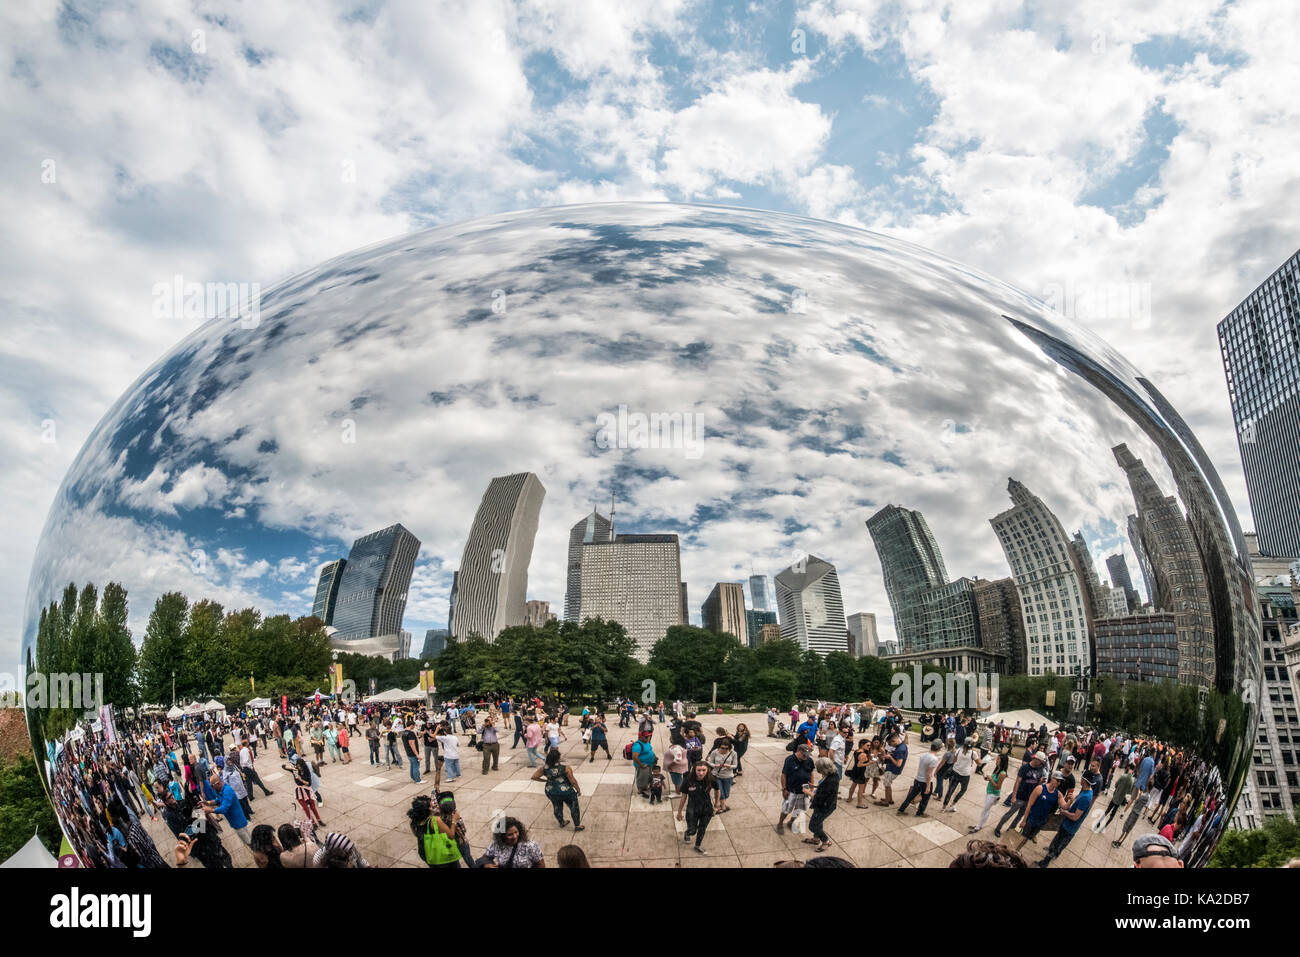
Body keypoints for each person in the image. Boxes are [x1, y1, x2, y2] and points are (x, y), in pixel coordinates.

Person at [1036, 777, 1093, 867]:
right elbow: (1078, 798)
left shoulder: (1086, 798)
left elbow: (1075, 817)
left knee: (1058, 845)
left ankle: (1045, 863)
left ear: (1084, 781)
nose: (1080, 780)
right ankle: (1051, 850)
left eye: (1082, 778)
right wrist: (1073, 798)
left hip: (1070, 828)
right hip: (1066, 824)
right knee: (1056, 840)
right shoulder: (1087, 790)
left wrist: (1064, 813)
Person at [993, 750, 1047, 838]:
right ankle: (998, 828)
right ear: (1036, 759)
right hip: (1020, 797)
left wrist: (1040, 782)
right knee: (1009, 814)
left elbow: (1037, 786)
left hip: (1029, 799)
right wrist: (1014, 796)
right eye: (1041, 762)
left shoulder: (1040, 769)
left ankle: (1010, 830)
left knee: (1019, 816)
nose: (1041, 764)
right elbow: (1017, 782)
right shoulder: (1025, 767)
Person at [533, 747, 585, 831]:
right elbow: (573, 781)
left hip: (551, 791)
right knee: (573, 806)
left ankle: (561, 822)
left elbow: (534, 777)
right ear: (558, 758)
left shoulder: (543, 769)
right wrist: (578, 790)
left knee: (557, 806)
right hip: (566, 792)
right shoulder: (566, 768)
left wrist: (546, 780)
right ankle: (577, 825)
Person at [1014, 770, 1063, 854]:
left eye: (1060, 781)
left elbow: (1065, 806)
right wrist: (1024, 820)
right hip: (1031, 820)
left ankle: (1017, 850)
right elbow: (1029, 805)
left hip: (1041, 822)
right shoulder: (1040, 788)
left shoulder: (1058, 794)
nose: (1058, 782)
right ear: (1052, 778)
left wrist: (1071, 800)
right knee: (1022, 837)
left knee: (1028, 838)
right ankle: (1015, 851)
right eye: (1057, 780)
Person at [676, 761, 717, 854]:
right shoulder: (688, 780)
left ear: (707, 770)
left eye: (704, 770)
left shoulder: (711, 779)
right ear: (694, 770)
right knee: (693, 830)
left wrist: (716, 805)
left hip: (707, 809)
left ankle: (697, 845)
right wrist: (679, 812)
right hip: (692, 809)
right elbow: (684, 797)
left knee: (702, 828)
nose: (701, 773)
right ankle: (688, 832)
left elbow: (717, 790)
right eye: (699, 770)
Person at [898, 739, 943, 817]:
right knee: (925, 799)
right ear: (939, 748)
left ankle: (901, 809)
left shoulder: (924, 755)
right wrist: (928, 786)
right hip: (925, 782)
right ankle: (920, 813)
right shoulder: (934, 759)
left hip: (918, 779)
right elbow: (929, 774)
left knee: (910, 796)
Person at [777, 743, 815, 834]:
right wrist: (784, 789)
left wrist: (811, 788)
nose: (806, 757)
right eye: (804, 755)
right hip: (791, 789)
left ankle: (791, 822)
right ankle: (780, 823)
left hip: (805, 789)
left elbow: (811, 773)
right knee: (786, 809)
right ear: (799, 751)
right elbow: (783, 775)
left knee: (799, 808)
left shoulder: (809, 760)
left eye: (807, 755)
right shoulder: (789, 760)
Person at [804, 757, 840, 853]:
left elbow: (820, 797)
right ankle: (816, 839)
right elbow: (824, 788)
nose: (818, 770)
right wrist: (815, 786)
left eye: (819, 768)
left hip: (824, 807)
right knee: (818, 821)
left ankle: (826, 841)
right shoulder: (833, 775)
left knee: (813, 826)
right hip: (827, 805)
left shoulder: (830, 781)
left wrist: (808, 792)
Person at [971, 752, 1009, 833]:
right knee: (985, 810)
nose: (997, 760)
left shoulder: (1002, 773)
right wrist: (988, 779)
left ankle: (979, 826)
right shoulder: (997, 769)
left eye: (998, 759)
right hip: (989, 792)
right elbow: (993, 780)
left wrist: (991, 779)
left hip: (993, 794)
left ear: (1002, 761)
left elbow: (998, 787)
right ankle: (979, 824)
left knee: (985, 810)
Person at [943, 740, 978, 812]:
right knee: (963, 790)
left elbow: (954, 760)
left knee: (950, 790)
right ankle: (953, 804)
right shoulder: (973, 753)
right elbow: (979, 763)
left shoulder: (959, 749)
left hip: (955, 771)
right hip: (965, 775)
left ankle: (944, 806)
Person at [876, 732, 908, 807]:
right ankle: (889, 799)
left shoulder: (900, 749)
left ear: (894, 740)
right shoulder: (902, 745)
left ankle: (886, 802)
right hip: (892, 769)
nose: (890, 746)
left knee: (887, 785)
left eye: (890, 744)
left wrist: (890, 757)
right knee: (888, 784)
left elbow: (898, 764)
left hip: (892, 770)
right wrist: (890, 755)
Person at [707, 738, 738, 813]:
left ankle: (721, 804)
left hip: (728, 776)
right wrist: (715, 765)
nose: (724, 750)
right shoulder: (715, 752)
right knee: (720, 792)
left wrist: (729, 766)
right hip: (716, 775)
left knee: (726, 793)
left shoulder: (733, 753)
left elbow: (735, 765)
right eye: (722, 748)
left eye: (726, 748)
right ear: (719, 747)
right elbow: (709, 762)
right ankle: (722, 807)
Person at [631, 729, 655, 798]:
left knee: (647, 776)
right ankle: (640, 789)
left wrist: (654, 756)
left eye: (648, 736)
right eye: (646, 737)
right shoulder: (637, 745)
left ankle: (645, 787)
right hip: (642, 765)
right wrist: (641, 764)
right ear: (640, 737)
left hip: (649, 764)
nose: (648, 738)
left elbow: (650, 750)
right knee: (641, 777)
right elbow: (634, 757)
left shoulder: (646, 742)